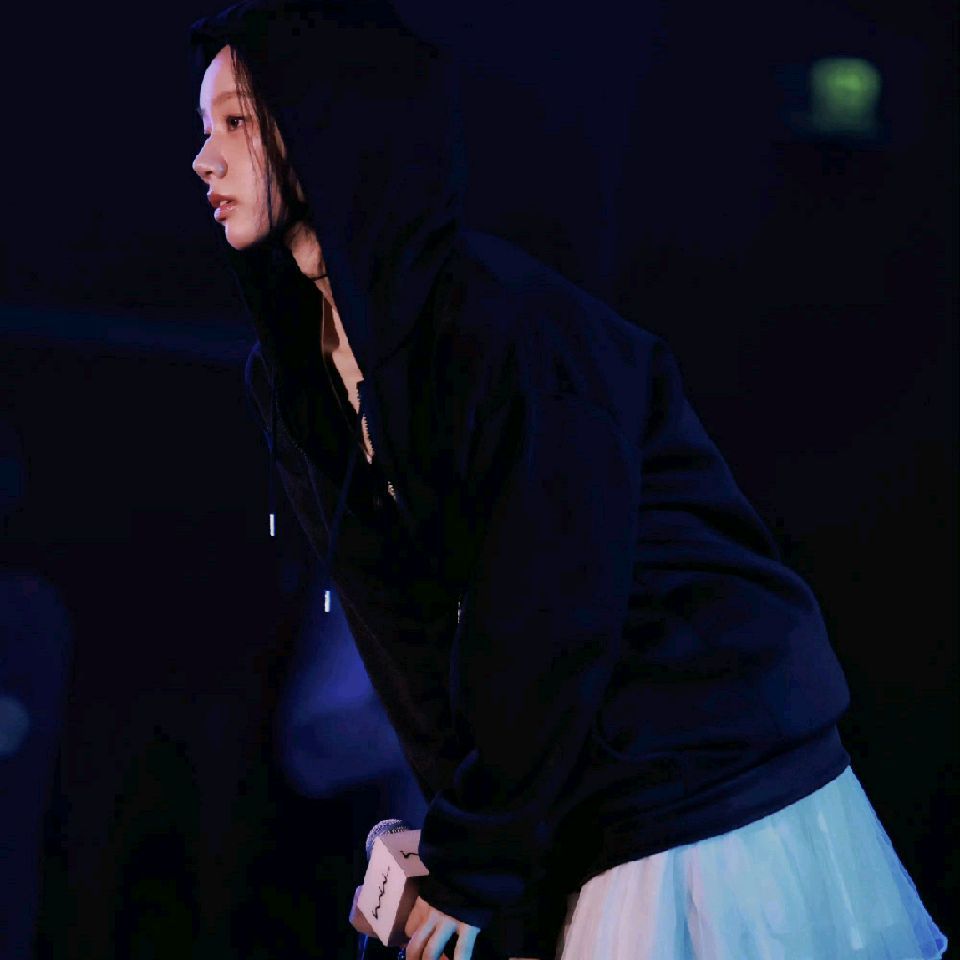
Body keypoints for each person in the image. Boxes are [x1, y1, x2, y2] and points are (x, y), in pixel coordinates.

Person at [188, 2, 949, 958]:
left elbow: (552, 606)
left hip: (702, 777)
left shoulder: (508, 330)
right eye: (204, 126)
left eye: (237, 121)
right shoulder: (295, 374)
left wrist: (478, 857)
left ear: (330, 122)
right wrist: (461, 837)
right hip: (589, 791)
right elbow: (404, 635)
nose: (203, 159)